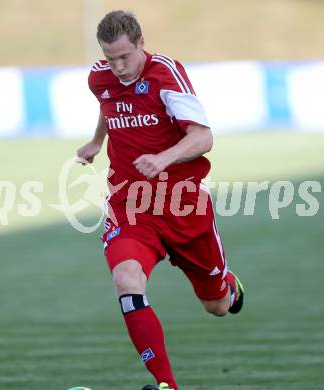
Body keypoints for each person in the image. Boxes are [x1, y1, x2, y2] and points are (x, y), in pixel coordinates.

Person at [77, 10, 244, 390]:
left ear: (140, 44)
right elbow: (109, 102)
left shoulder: (165, 73)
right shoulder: (100, 78)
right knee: (126, 279)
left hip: (183, 206)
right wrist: (97, 142)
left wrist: (164, 158)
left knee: (217, 306)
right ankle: (167, 384)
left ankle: (228, 285)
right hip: (130, 206)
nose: (118, 67)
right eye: (109, 57)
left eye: (125, 56)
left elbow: (203, 137)